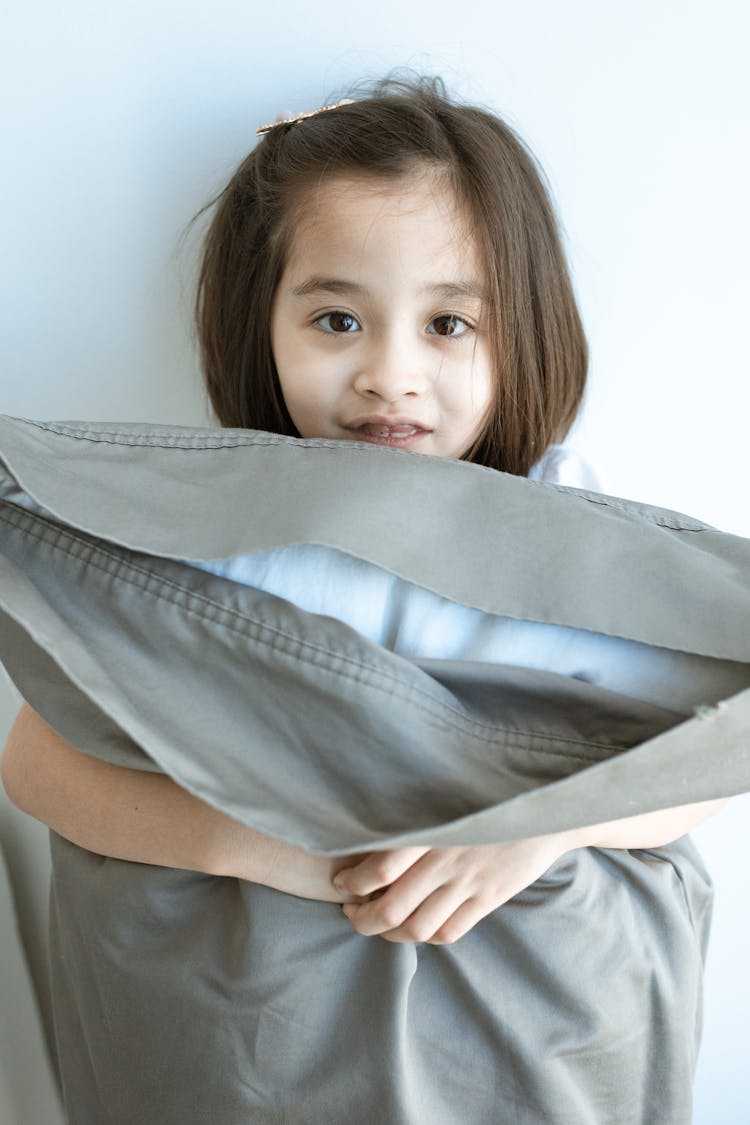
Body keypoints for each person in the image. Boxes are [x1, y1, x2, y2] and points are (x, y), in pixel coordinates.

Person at [0, 75, 730, 1121]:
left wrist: (547, 830)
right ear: (261, 326)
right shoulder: (211, 534)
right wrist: (282, 852)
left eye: (447, 325)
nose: (390, 374)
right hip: (257, 1024)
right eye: (338, 318)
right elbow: (38, 764)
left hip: (522, 1000)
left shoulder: (576, 542)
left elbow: (707, 756)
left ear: (524, 331)